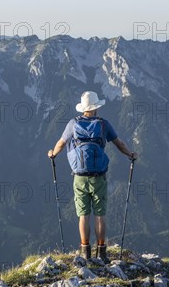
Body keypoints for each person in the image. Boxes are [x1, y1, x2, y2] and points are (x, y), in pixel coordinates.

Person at [48, 91, 138, 262]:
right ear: (96, 108)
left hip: (79, 176)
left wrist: (53, 154)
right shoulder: (103, 124)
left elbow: (61, 143)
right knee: (100, 215)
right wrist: (131, 154)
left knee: (83, 215)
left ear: (83, 108)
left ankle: (85, 252)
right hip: (99, 177)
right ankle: (102, 252)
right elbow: (120, 144)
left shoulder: (73, 124)